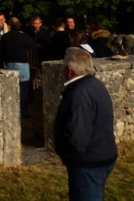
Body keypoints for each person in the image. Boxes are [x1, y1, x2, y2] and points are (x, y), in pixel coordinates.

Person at [55, 47, 117, 201]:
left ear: (69, 70)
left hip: (88, 162)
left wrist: (65, 152)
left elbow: (77, 135)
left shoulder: (78, 93)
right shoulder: (95, 84)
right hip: (103, 154)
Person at [0, 17, 35, 117]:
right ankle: (24, 112)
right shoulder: (23, 36)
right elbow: (32, 45)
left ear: (9, 26)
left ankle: (11, 111)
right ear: (19, 25)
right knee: (23, 89)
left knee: (11, 89)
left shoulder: (4, 37)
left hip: (10, 64)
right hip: (22, 64)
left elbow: (1, 52)